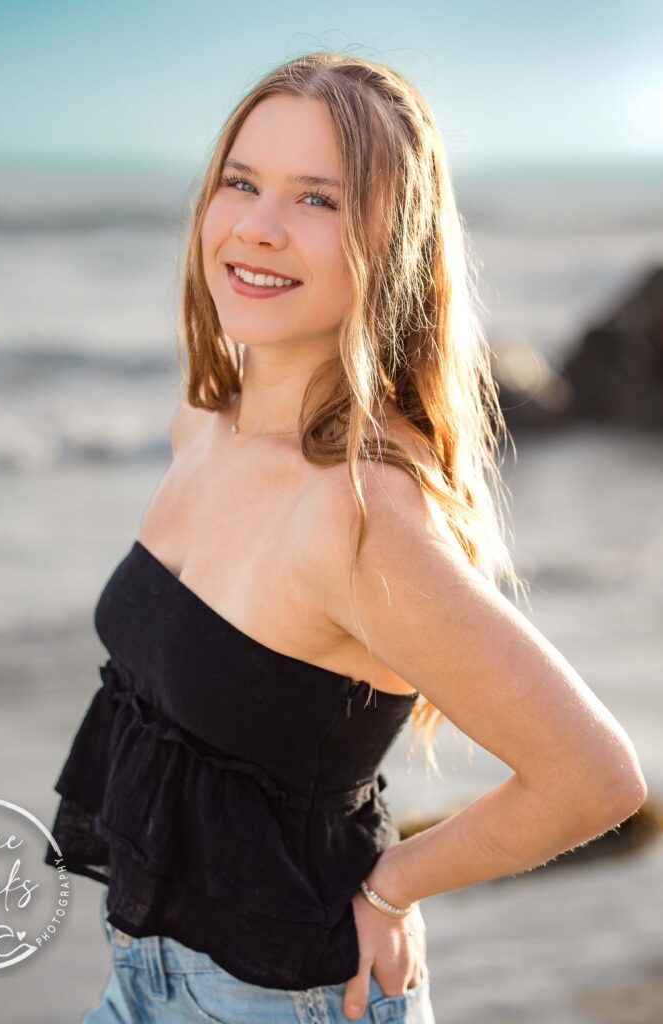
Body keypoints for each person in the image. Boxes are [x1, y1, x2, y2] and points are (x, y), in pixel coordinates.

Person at [44, 53, 648, 1023]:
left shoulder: (362, 514)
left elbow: (594, 777)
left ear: (390, 243)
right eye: (241, 182)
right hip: (141, 976)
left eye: (317, 199)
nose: (258, 226)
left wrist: (392, 883)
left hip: (282, 999)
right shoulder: (207, 420)